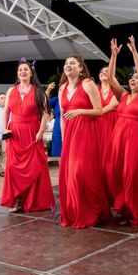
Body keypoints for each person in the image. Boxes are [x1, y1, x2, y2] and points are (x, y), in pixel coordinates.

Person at [105, 37, 138, 228]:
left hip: (136, 141)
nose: (134, 80)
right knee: (117, 174)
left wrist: (135, 52)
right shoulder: (124, 96)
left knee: (135, 175)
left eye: (137, 78)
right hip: (118, 140)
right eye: (132, 78)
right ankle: (127, 212)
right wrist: (113, 56)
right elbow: (110, 79)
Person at [58, 55, 110, 228]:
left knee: (81, 172)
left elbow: (99, 111)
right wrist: (65, 139)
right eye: (66, 63)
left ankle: (91, 211)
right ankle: (73, 211)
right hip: (70, 136)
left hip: (86, 132)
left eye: (72, 63)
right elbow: (62, 118)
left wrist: (80, 111)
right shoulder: (62, 88)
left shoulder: (87, 84)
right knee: (69, 174)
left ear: (80, 68)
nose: (68, 65)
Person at [0, 61, 55, 213]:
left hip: (32, 131)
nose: (22, 72)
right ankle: (18, 199)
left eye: (25, 70)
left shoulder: (38, 91)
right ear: (17, 73)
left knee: (34, 166)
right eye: (20, 70)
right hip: (15, 133)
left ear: (31, 73)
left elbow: (45, 113)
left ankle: (33, 200)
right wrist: (4, 128)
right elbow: (5, 112)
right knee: (12, 166)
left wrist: (41, 131)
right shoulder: (11, 90)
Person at [98, 66, 119, 159]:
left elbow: (112, 105)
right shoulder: (95, 90)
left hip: (113, 122)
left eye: (107, 71)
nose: (104, 73)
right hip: (97, 123)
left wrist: (94, 112)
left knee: (110, 151)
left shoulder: (117, 90)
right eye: (101, 72)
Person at [46, 82, 62, 158]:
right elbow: (44, 102)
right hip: (58, 126)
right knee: (59, 152)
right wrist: (48, 90)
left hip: (71, 124)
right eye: (60, 88)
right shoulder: (57, 99)